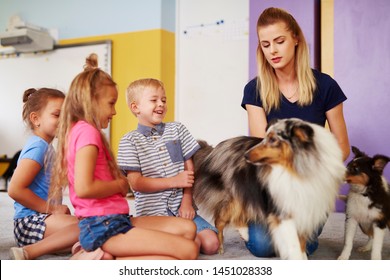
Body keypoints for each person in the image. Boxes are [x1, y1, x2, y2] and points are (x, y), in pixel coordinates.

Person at [49, 54, 199, 260]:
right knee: (188, 251)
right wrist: (121, 185)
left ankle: (104, 254)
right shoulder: (88, 133)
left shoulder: (81, 130)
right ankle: (96, 257)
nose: (114, 111)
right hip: (103, 227)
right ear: (91, 101)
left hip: (117, 220)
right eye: (111, 104)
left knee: (188, 229)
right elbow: (84, 188)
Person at [241, 7, 350, 258]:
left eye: (279, 41)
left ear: (296, 39)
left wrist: (310, 180)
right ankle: (246, 215)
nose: (273, 50)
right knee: (263, 246)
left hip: (311, 187)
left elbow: (342, 147)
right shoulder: (254, 90)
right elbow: (263, 149)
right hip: (274, 187)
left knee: (303, 246)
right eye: (266, 44)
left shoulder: (326, 86)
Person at [117, 78, 220, 255]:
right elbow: (136, 183)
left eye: (163, 100)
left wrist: (187, 202)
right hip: (152, 215)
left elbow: (189, 170)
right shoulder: (129, 141)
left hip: (181, 208)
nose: (161, 104)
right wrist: (173, 181)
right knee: (190, 243)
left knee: (211, 244)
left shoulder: (177, 129)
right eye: (154, 100)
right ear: (136, 108)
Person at [8, 88, 79, 260]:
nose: (63, 120)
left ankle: (75, 247)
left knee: (94, 228)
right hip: (31, 223)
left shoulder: (46, 147)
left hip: (42, 220)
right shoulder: (38, 147)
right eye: (56, 115)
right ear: (35, 119)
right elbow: (15, 189)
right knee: (92, 226)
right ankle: (29, 252)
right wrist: (53, 209)